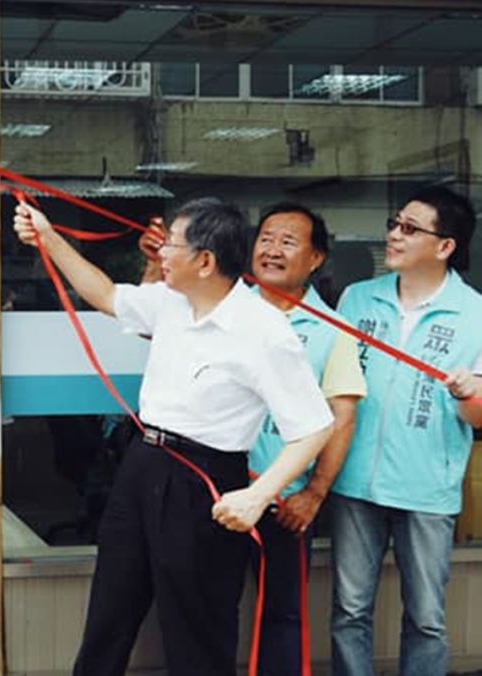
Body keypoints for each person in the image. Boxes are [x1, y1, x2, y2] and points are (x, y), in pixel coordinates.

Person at [14, 198, 334, 676]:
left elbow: (314, 426)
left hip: (203, 480)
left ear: (205, 261)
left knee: (197, 630)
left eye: (173, 245)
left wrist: (257, 495)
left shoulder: (264, 331)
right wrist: (49, 238)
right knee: (109, 613)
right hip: (143, 466)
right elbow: (105, 294)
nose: (161, 252)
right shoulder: (171, 302)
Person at [144, 202, 367, 675]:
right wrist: (156, 263)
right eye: (265, 238)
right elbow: (153, 330)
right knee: (203, 607)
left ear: (316, 259)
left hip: (281, 502)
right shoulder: (210, 308)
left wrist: (313, 494)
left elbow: (340, 417)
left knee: (282, 614)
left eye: (288, 241)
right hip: (211, 492)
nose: (271, 249)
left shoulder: (333, 331)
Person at [329, 186, 482, 676]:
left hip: (426, 487)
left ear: (445, 247)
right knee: (349, 611)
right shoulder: (357, 299)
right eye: (394, 223)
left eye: (410, 228)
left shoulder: (476, 315)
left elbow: (480, 418)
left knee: (427, 619)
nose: (394, 234)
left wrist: (468, 395)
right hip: (354, 479)